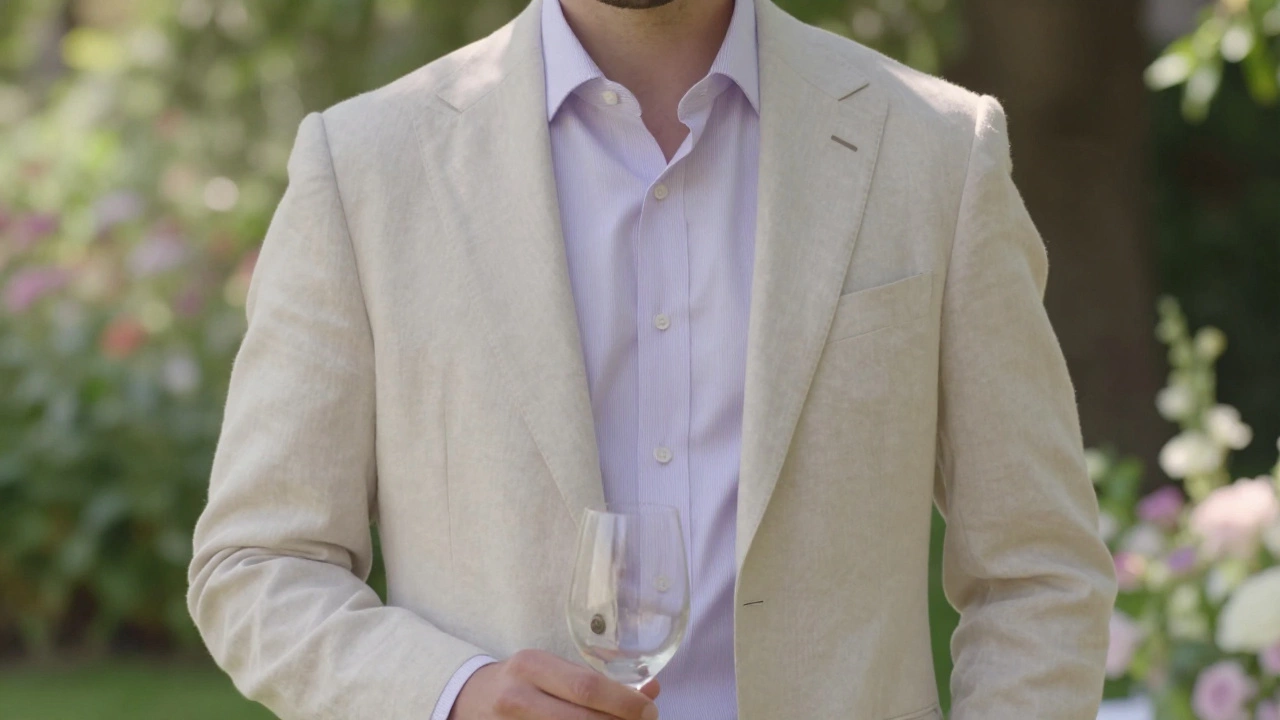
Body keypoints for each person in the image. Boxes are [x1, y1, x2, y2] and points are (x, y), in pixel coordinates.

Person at [186, 0, 1118, 717]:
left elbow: (1037, 570)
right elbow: (259, 560)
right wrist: (454, 693)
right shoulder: (365, 168)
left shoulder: (936, 150)